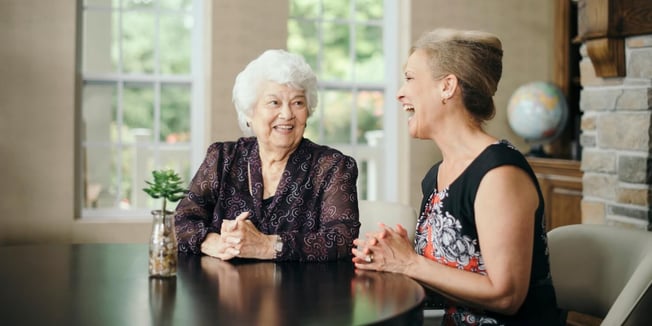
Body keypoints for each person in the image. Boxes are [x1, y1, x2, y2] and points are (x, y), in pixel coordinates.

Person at [352, 28, 561, 324]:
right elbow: (453, 277)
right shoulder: (436, 175)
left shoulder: (499, 173)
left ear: (447, 86)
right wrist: (393, 258)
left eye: (410, 78)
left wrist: (410, 263)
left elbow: (506, 296)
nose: (400, 92)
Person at [175, 49, 360, 262]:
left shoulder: (332, 166)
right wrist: (213, 242)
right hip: (225, 290)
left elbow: (343, 239)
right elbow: (180, 220)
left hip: (301, 292)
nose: (287, 114)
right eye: (274, 102)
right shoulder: (223, 158)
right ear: (249, 112)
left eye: (298, 103)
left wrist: (267, 246)